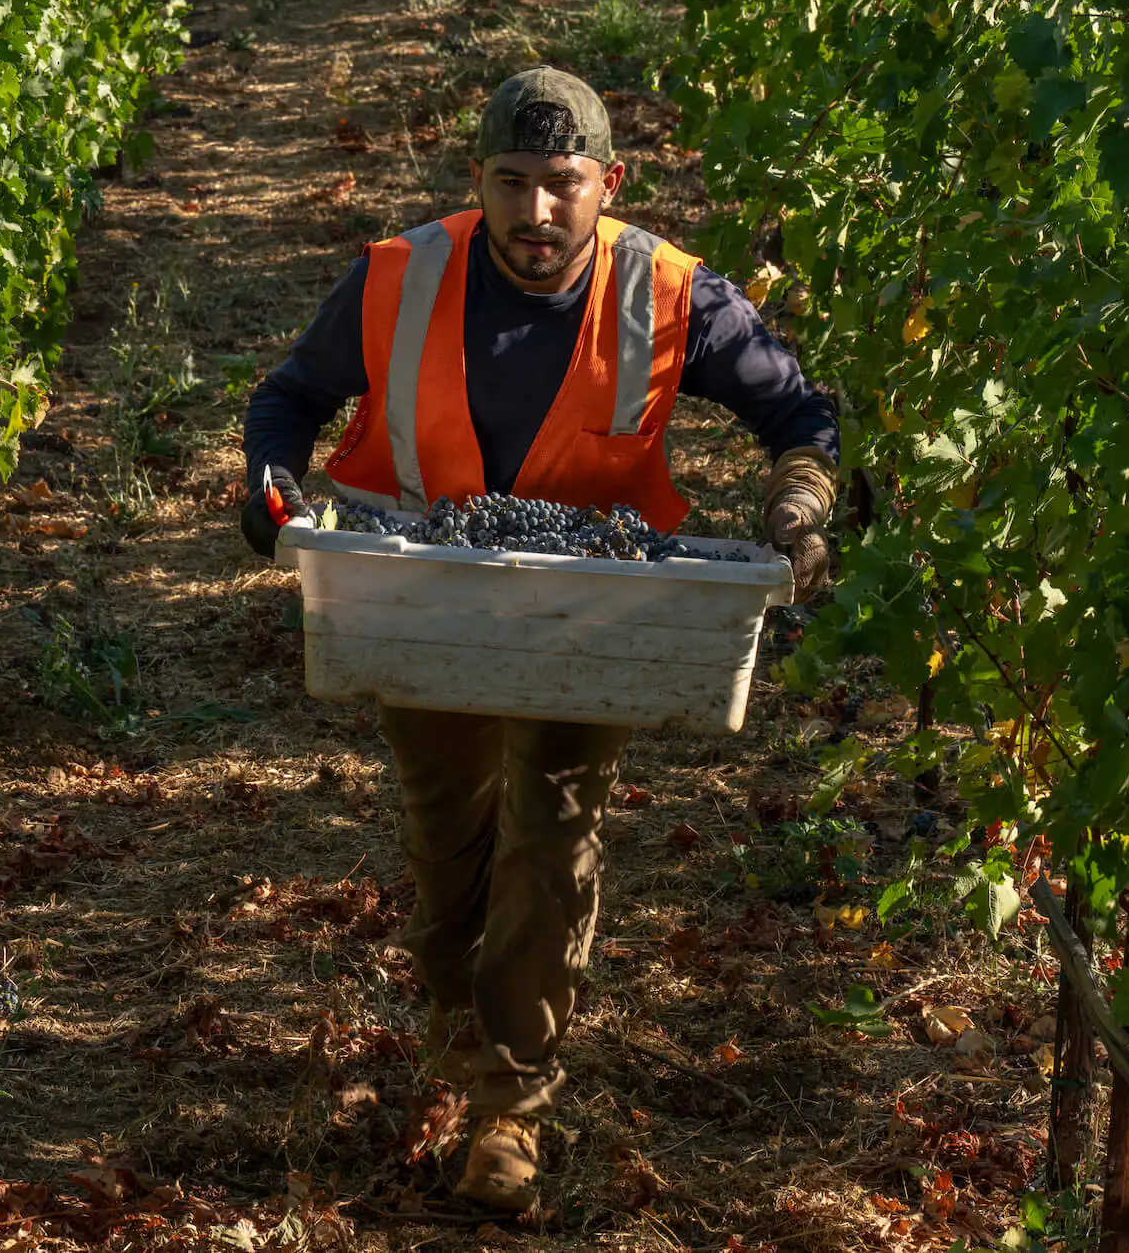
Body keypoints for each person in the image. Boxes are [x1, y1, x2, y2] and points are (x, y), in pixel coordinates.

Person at [238, 67, 839, 1214]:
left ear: (605, 184)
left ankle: (507, 1104)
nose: (535, 213)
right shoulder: (398, 278)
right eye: (510, 184)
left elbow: (795, 416)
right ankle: (456, 1027)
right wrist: (271, 483)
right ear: (477, 182)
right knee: (444, 830)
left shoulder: (669, 293)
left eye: (562, 185)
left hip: (591, 608)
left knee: (552, 833)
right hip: (419, 595)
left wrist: (798, 505)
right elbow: (289, 399)